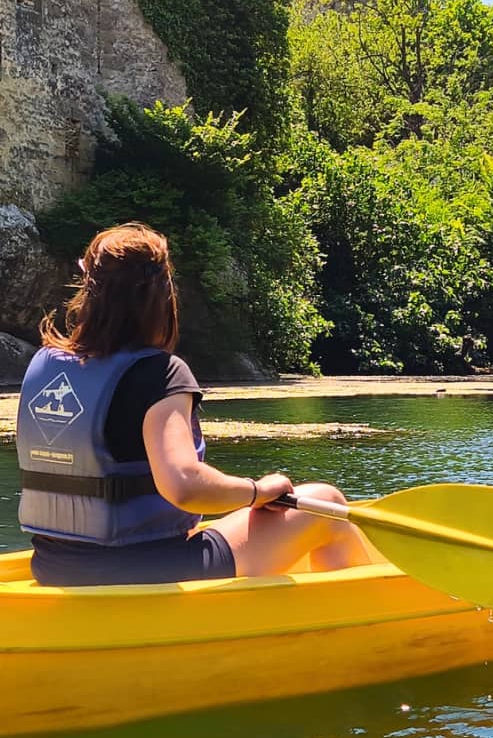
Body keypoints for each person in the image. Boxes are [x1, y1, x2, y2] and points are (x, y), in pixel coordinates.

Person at [15, 222, 368, 586]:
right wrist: (257, 491)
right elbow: (183, 484)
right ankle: (365, 619)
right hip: (142, 572)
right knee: (327, 505)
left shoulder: (45, 364)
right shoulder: (160, 374)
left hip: (53, 566)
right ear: (161, 296)